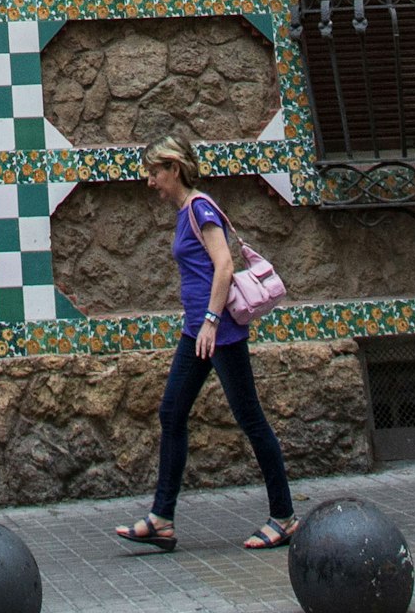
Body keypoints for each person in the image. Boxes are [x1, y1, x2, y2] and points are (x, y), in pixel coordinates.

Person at [114, 138, 297, 552]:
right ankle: (161, 520)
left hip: (219, 333)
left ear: (174, 170)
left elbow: (225, 264)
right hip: (197, 332)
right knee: (171, 412)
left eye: (154, 172)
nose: (150, 182)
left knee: (250, 419)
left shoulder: (200, 208)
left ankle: (284, 516)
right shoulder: (185, 212)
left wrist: (213, 321)